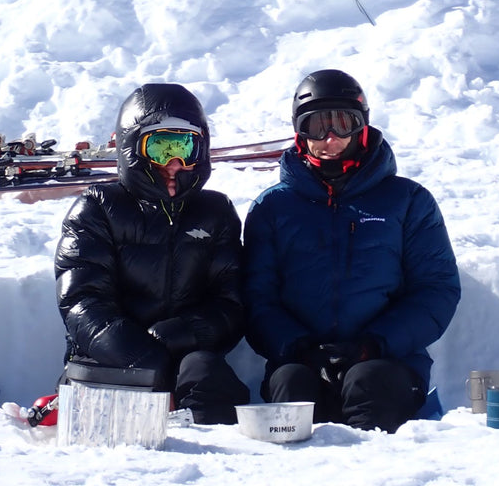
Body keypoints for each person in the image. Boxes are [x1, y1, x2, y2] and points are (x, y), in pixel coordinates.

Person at [242, 69, 461, 433]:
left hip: (387, 360)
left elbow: (436, 288)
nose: (329, 138)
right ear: (299, 132)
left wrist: (372, 345)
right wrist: (296, 346)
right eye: (316, 126)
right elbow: (256, 295)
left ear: (362, 127)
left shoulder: (407, 201)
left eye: (342, 124)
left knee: (367, 381)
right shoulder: (273, 208)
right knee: (293, 385)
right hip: (301, 357)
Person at [54, 83, 249, 425]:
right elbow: (82, 299)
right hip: (111, 359)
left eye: (185, 147)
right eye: (160, 147)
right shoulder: (97, 209)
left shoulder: (215, 212)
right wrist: (136, 352)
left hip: (186, 358)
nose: (174, 163)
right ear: (133, 149)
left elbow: (230, 301)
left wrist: (184, 332)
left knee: (209, 376)